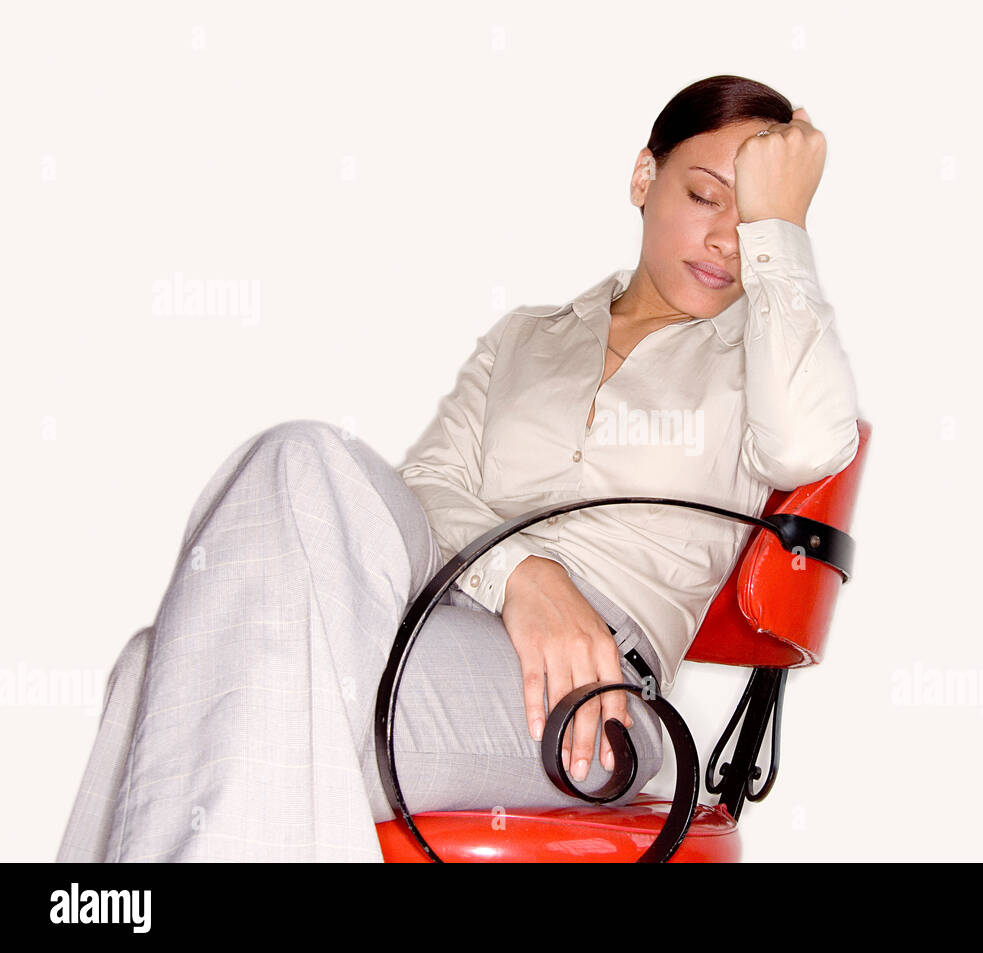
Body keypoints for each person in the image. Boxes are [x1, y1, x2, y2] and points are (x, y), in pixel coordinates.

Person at [54, 74, 861, 862]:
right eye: (705, 196)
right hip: (434, 613)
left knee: (184, 680)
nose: (728, 238)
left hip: (589, 693)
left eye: (751, 215)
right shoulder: (525, 337)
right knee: (293, 463)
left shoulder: (768, 356)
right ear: (644, 176)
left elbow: (809, 448)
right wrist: (525, 576)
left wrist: (781, 231)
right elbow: (431, 491)